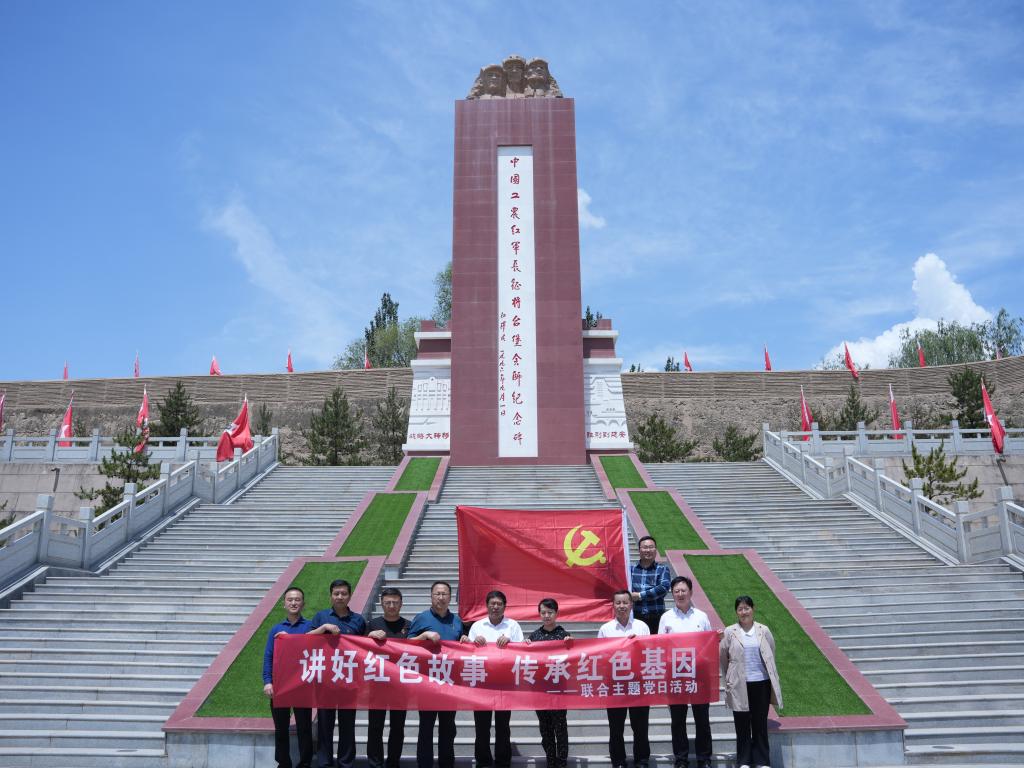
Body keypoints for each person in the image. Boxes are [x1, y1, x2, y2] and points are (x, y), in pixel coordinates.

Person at [408, 581, 469, 768]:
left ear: (450, 597)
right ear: (431, 596)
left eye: (444, 594)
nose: (441, 597)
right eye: (437, 594)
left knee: (448, 728)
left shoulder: (457, 620)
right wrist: (423, 637)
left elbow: (462, 646)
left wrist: (465, 640)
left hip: (450, 683)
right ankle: (424, 764)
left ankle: (446, 763)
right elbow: (406, 645)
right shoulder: (421, 618)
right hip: (427, 683)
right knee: (426, 727)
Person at [308, 579, 367, 768]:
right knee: (325, 725)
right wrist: (322, 629)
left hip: (349, 680)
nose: (340, 597)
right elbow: (304, 641)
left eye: (343, 593)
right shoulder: (321, 617)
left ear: (349, 596)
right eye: (336, 593)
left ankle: (346, 763)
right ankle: (324, 763)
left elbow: (365, 648)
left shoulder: (358, 620)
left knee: (347, 725)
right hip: (325, 680)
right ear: (331, 596)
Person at [720, 596, 782, 768]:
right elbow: (723, 657)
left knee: (759, 722)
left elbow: (771, 652)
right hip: (739, 684)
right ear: (736, 612)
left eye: (746, 608)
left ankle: (762, 761)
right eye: (740, 609)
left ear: (753, 609)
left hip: (761, 682)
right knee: (741, 723)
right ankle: (744, 761)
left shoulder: (763, 630)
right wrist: (729, 679)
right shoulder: (730, 632)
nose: (743, 612)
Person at [658, 576, 713, 768]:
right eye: (676, 591)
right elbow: (660, 646)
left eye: (683, 590)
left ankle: (704, 758)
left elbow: (709, 644)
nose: (680, 594)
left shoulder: (701, 616)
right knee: (678, 720)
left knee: (702, 719)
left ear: (691, 592)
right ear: (672, 594)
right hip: (675, 676)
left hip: (699, 675)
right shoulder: (666, 618)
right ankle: (681, 759)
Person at [468, 590, 524, 768]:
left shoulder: (513, 626)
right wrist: (473, 642)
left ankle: (503, 760)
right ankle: (483, 761)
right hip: (481, 682)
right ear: (487, 606)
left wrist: (510, 642)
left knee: (503, 725)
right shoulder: (477, 626)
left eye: (499, 604)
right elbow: (466, 652)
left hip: (504, 683)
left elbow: (523, 651)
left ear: (505, 606)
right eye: (492, 603)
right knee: (481, 726)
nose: (495, 607)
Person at [598, 590, 651, 768]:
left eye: (625, 602)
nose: (622, 606)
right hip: (615, 685)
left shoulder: (642, 627)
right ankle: (618, 760)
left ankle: (642, 759)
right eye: (618, 603)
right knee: (616, 727)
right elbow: (600, 656)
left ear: (631, 605)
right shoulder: (605, 629)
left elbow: (650, 653)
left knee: (640, 726)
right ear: (613, 606)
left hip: (638, 683)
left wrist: (638, 644)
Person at [263, 586, 314, 768]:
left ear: (303, 604)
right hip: (280, 685)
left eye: (297, 600)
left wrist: (291, 640)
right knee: (281, 728)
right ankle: (283, 763)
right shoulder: (276, 629)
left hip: (302, 685)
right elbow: (269, 656)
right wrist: (268, 682)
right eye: (290, 600)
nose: (293, 603)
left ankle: (305, 763)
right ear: (284, 604)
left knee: (304, 727)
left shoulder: (310, 627)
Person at [366, 587, 411, 768]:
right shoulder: (372, 625)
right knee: (375, 727)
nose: (391, 606)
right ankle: (375, 763)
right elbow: (357, 649)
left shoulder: (409, 626)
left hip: (400, 686)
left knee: (398, 727)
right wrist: (369, 636)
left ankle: (393, 762)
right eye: (388, 603)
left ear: (401, 604)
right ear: (381, 604)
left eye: (395, 602)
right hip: (377, 684)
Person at [526, 598, 573, 768]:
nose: (546, 616)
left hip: (558, 690)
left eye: (550, 612)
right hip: (539, 689)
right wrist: (526, 646)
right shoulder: (534, 636)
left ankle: (562, 761)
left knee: (560, 727)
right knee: (545, 727)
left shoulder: (564, 635)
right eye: (543, 612)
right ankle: (550, 760)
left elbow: (574, 658)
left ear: (556, 613)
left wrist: (572, 645)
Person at [630, 535, 670, 634]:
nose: (648, 550)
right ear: (639, 550)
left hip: (656, 617)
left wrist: (639, 596)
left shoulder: (662, 569)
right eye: (645, 547)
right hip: (636, 617)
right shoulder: (630, 570)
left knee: (656, 643)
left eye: (651, 547)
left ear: (655, 550)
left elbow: (663, 588)